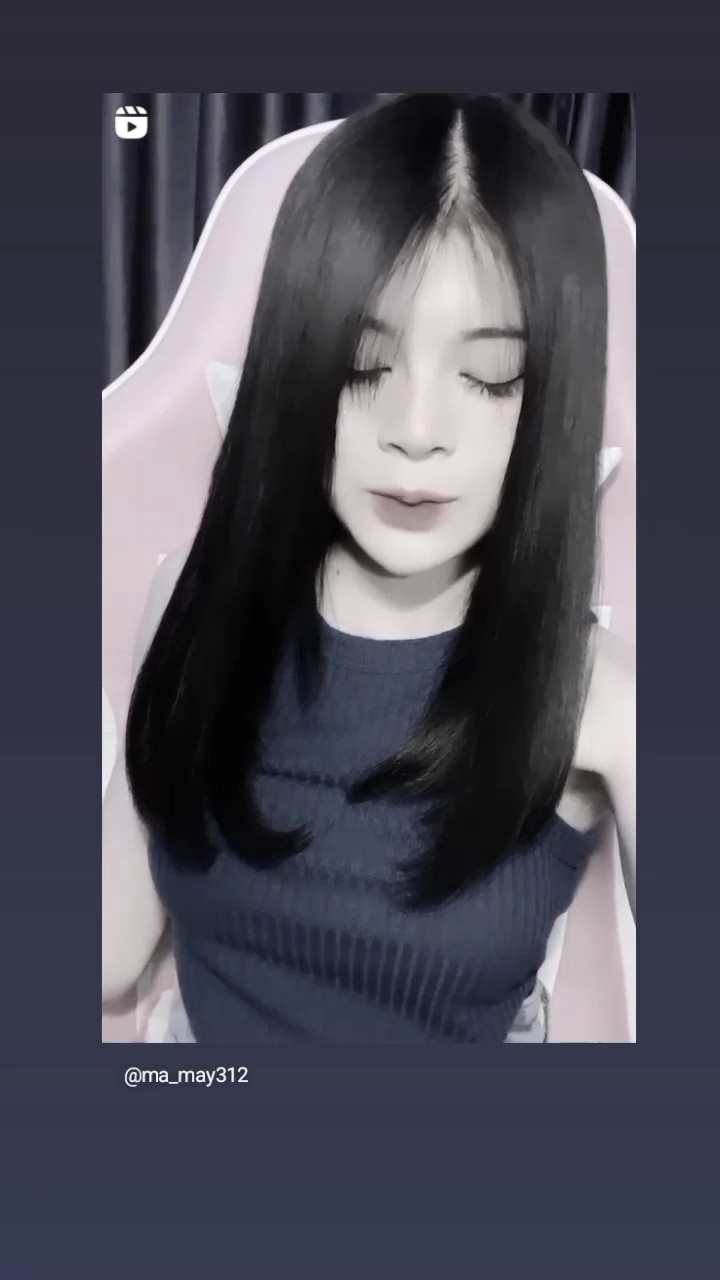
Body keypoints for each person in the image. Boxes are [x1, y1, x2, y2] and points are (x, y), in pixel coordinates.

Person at [102, 93, 636, 1043]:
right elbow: (107, 948)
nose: (417, 430)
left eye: (489, 377)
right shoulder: (192, 601)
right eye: (361, 363)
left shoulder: (601, 701)